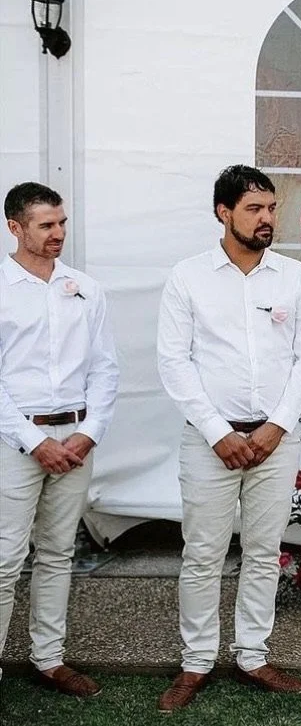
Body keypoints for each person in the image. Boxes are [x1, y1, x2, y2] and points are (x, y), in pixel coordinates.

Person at [155, 165, 301, 711]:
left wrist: (277, 426)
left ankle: (253, 654)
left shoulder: (293, 278)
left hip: (277, 439)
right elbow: (173, 363)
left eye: (272, 208)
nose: (267, 218)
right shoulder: (188, 277)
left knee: (263, 551)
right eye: (255, 209)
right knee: (203, 554)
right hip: (210, 442)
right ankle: (196, 662)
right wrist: (218, 432)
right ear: (223, 213)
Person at [0, 182, 119, 696]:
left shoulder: (86, 288)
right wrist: (33, 440)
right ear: (14, 227)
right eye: (46, 225)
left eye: (62, 223)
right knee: (5, 557)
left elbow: (106, 369)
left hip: (75, 441)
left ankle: (48, 659)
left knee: (56, 553)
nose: (58, 234)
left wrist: (88, 433)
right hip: (14, 439)